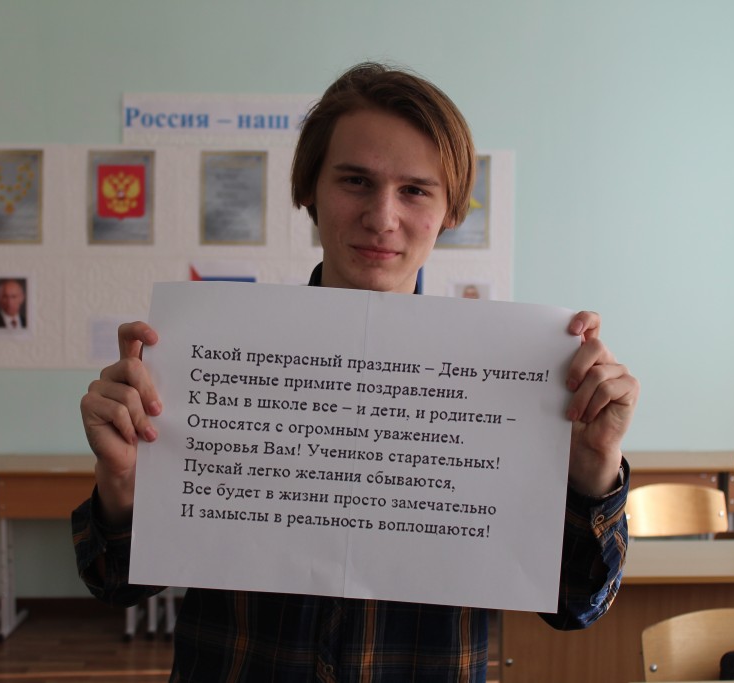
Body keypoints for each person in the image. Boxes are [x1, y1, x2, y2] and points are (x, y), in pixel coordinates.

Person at [73, 61, 639, 682]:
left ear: (451, 211)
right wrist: (123, 483)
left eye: (415, 190)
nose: (382, 217)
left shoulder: (515, 384)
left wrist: (593, 469)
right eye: (355, 181)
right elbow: (114, 583)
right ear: (309, 191)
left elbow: (576, 606)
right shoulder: (211, 362)